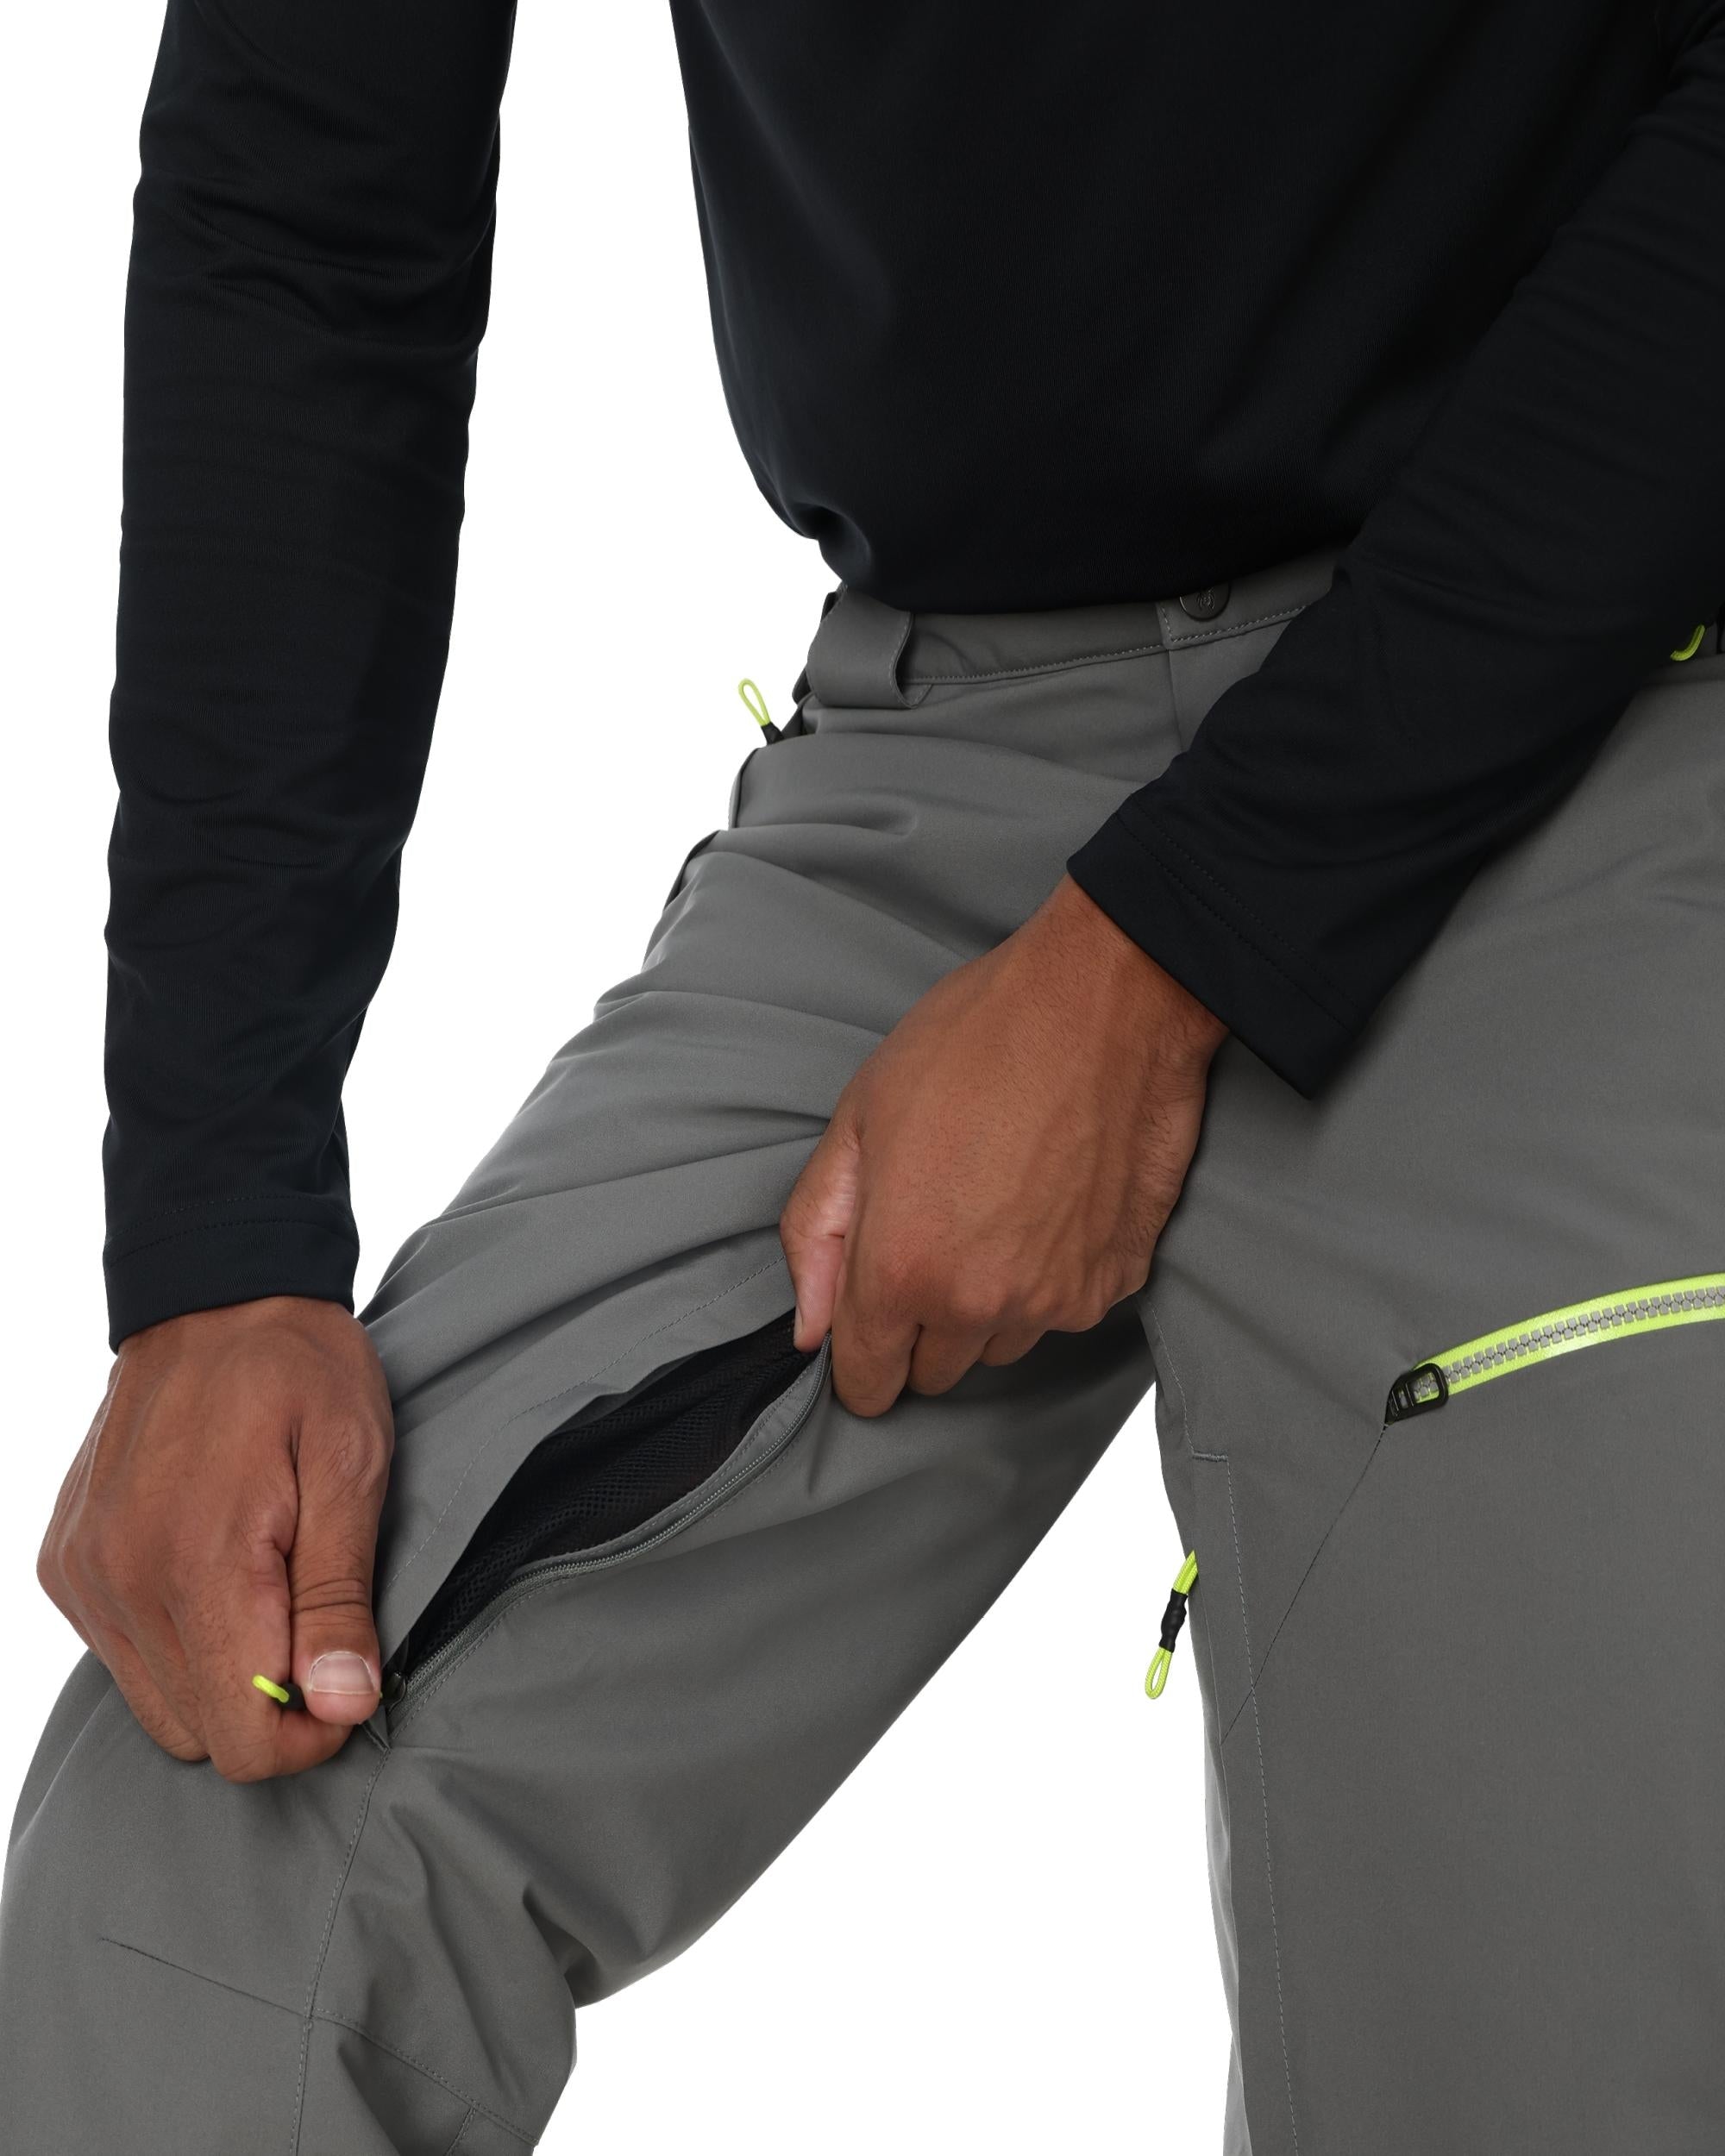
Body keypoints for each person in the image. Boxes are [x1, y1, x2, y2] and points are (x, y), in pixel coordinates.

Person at [3, 1, 1724, 2147]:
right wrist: (216, 1250)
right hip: (958, 732)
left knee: (1571, 2027)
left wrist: (1174, 949)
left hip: (1600, 670)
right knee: (197, 1885)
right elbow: (306, 208)